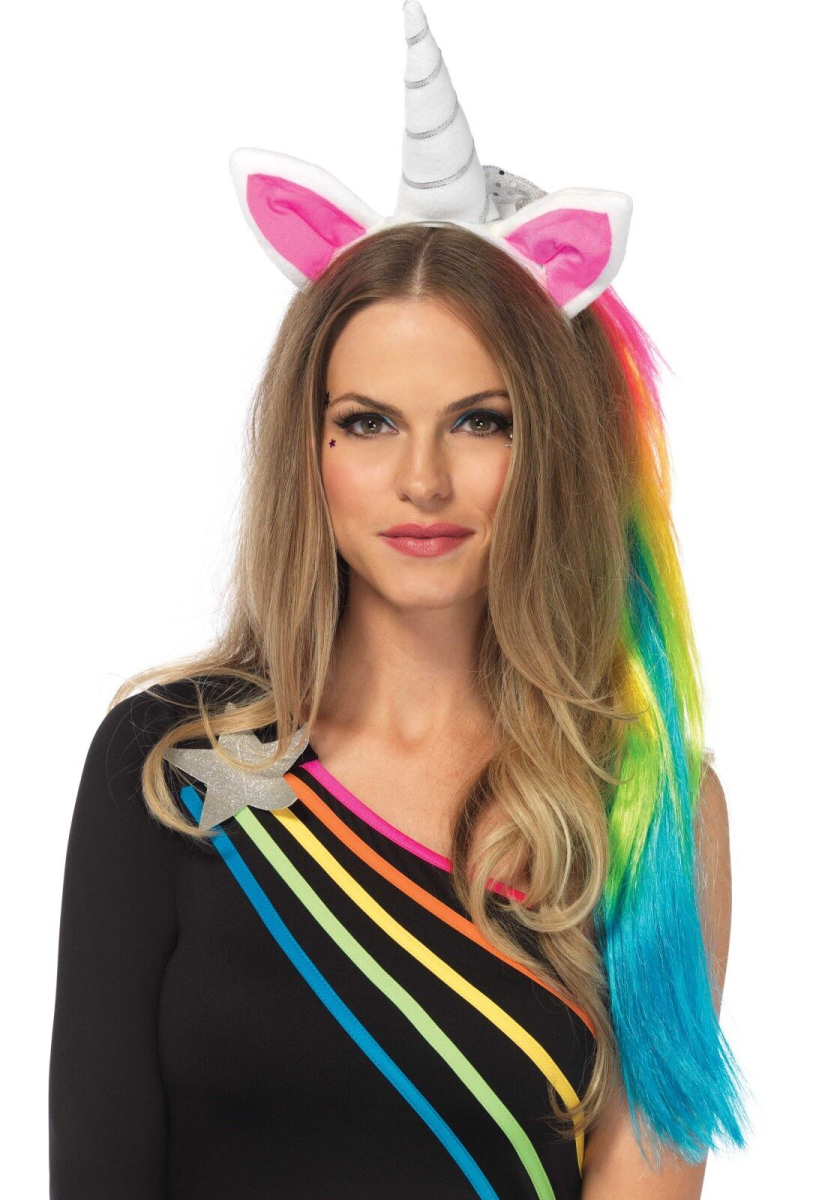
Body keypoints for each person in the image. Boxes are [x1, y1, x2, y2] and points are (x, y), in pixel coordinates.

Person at [48, 4, 750, 1197]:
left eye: (481, 421)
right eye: (368, 422)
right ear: (310, 450)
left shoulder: (645, 813)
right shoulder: (167, 765)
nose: (423, 480)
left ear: (553, 449)